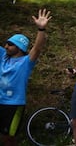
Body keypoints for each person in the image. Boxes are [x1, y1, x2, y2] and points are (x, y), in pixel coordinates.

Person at [0, 9, 52, 146]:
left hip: (14, 104)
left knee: (9, 137)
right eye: (6, 43)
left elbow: (38, 48)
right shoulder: (3, 56)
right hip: (0, 101)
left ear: (19, 47)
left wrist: (41, 29)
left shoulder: (25, 62)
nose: (6, 46)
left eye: (10, 44)